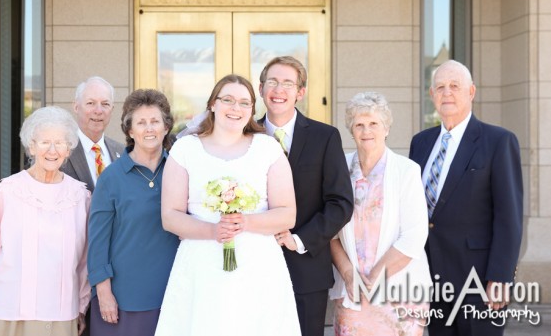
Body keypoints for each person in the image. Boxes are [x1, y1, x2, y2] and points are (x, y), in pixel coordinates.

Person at [155, 74, 301, 336]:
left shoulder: (268, 148)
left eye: (245, 103)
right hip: (202, 264)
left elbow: (287, 214)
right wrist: (213, 231)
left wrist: (245, 222)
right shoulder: (185, 149)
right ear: (213, 104)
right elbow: (170, 216)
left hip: (258, 265)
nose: (236, 108)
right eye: (228, 100)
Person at [409, 60, 523, 336]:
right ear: (432, 95)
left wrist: (500, 276)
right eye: (440, 87)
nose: (447, 92)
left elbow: (509, 217)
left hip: (479, 281)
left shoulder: (498, 141)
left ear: (471, 92)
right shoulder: (420, 142)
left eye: (454, 86)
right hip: (432, 277)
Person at [0, 106, 90, 336]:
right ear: (31, 146)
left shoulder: (80, 196)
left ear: (68, 149)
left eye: (60, 142)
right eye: (44, 142)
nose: (52, 150)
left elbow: (83, 259)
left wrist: (82, 304)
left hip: (59, 312)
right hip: (5, 308)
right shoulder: (8, 190)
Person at [258, 56, 354, 336]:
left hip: (307, 269)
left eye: (288, 83)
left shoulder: (325, 137)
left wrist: (299, 239)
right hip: (254, 266)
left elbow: (340, 203)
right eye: (272, 82)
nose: (279, 90)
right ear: (262, 88)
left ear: (300, 92)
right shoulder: (245, 135)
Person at [329, 92, 432, 336]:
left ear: (386, 128)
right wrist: (349, 275)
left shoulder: (406, 171)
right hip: (352, 292)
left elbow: (414, 236)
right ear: (351, 130)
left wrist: (374, 279)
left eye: (374, 123)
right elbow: (330, 234)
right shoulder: (338, 169)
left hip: (400, 292)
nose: (367, 131)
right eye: (359, 125)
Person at [87, 89, 180, 336]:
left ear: (166, 127)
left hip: (174, 293)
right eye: (141, 123)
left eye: (155, 121)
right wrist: (103, 292)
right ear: (130, 130)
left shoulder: (180, 170)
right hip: (123, 298)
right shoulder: (111, 178)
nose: (149, 129)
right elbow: (97, 242)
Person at [61, 76, 123, 193]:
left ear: (112, 109)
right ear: (76, 106)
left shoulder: (123, 152)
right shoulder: (59, 152)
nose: (98, 111)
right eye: (90, 103)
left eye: (105, 104)